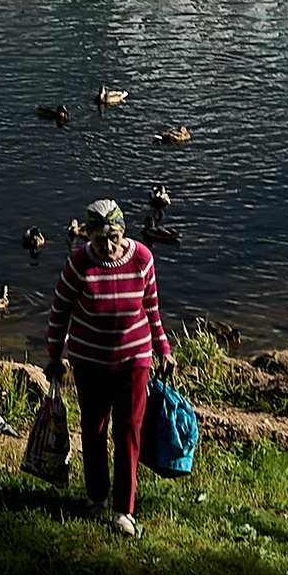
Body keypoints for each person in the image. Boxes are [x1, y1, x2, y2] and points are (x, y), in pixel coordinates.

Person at [44, 199, 172, 536]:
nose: (108, 245)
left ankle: (123, 511)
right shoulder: (78, 265)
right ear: (89, 237)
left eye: (114, 236)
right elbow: (59, 313)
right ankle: (96, 497)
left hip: (134, 360)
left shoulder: (143, 258)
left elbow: (152, 308)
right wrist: (54, 357)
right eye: (100, 239)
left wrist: (164, 350)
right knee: (94, 428)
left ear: (123, 232)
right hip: (90, 363)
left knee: (128, 430)